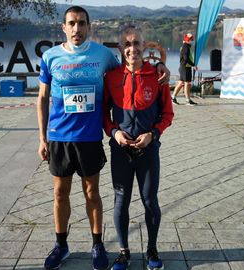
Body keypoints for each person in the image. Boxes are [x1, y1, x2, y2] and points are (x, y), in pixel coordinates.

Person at [37, 6, 170, 270]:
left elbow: (131, 66)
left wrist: (161, 63)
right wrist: (42, 138)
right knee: (59, 193)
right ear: (63, 27)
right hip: (58, 136)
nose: (77, 29)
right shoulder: (50, 56)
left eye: (82, 23)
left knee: (92, 193)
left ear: (89, 26)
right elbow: (42, 98)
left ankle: (97, 245)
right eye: (72, 23)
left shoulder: (103, 55)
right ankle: (61, 246)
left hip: (89, 138)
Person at [103, 26, 174, 270]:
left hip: (148, 150)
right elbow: (104, 115)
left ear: (144, 46)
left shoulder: (158, 76)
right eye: (127, 44)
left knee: (149, 200)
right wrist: (114, 132)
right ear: (121, 49)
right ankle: (124, 253)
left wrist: (153, 134)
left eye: (137, 43)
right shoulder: (111, 77)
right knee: (120, 201)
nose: (132, 48)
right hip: (120, 150)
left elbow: (167, 113)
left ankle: (152, 250)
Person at [172, 33, 197, 106]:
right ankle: (187, 100)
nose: (192, 40)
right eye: (191, 39)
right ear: (187, 40)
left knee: (181, 83)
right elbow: (186, 59)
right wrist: (193, 65)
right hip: (186, 67)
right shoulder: (186, 47)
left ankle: (173, 97)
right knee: (187, 84)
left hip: (184, 67)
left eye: (192, 39)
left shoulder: (186, 46)